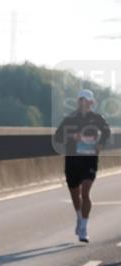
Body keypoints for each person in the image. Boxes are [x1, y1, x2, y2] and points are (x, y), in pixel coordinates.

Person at [53, 88, 111, 242]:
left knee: (85, 193)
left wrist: (101, 144)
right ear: (78, 102)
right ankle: (79, 217)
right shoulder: (70, 119)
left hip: (89, 160)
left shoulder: (97, 118)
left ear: (91, 102)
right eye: (81, 100)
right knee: (75, 194)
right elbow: (57, 137)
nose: (84, 103)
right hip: (73, 160)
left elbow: (107, 132)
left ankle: (84, 228)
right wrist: (72, 136)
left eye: (87, 100)